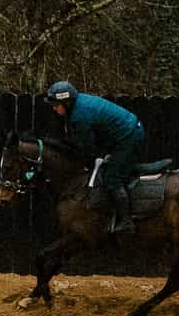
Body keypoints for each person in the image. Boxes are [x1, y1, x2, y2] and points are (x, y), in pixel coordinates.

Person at [43, 80, 146, 234]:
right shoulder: (78, 104)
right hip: (123, 132)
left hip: (129, 136)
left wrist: (92, 159)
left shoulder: (79, 116)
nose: (54, 108)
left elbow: (88, 147)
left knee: (112, 178)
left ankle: (126, 221)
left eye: (57, 105)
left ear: (67, 103)